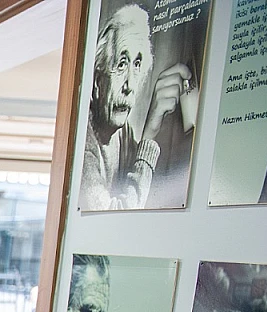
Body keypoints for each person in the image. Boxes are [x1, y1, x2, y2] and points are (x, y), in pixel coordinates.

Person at [80, 4, 191, 211]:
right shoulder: (83, 142)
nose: (130, 85)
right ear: (97, 81)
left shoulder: (123, 134)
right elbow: (112, 217)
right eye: (121, 64)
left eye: (137, 65)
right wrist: (149, 135)